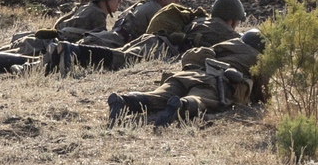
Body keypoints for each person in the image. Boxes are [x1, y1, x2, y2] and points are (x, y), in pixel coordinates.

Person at [108, 29, 266, 126]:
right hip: (214, 82)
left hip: (186, 74)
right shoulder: (259, 58)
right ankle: (180, 106)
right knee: (199, 100)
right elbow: (264, 92)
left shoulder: (223, 46)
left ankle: (125, 101)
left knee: (157, 96)